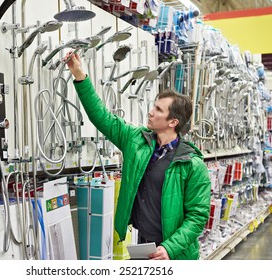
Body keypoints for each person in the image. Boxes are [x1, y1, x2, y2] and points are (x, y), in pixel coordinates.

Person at [64, 51, 211, 260]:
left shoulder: (192, 165)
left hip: (176, 254)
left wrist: (169, 248)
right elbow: (102, 117)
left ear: (173, 122)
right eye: (154, 106)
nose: (151, 112)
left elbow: (197, 217)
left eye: (158, 109)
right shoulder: (137, 142)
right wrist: (80, 76)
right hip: (144, 247)